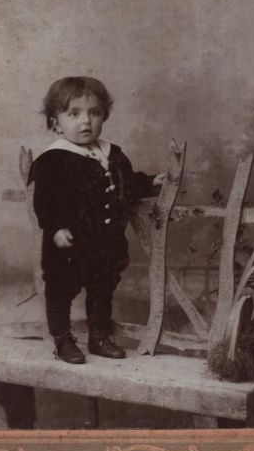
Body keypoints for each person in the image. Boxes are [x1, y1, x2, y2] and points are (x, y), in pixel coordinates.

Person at [29, 77, 164, 364]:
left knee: (102, 288)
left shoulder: (112, 153)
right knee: (61, 290)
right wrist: (56, 229)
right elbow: (45, 202)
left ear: (104, 116)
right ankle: (63, 340)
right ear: (56, 123)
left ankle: (99, 337)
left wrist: (150, 182)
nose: (85, 121)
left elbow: (127, 183)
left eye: (94, 113)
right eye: (74, 114)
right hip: (69, 242)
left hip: (105, 242)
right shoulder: (53, 159)